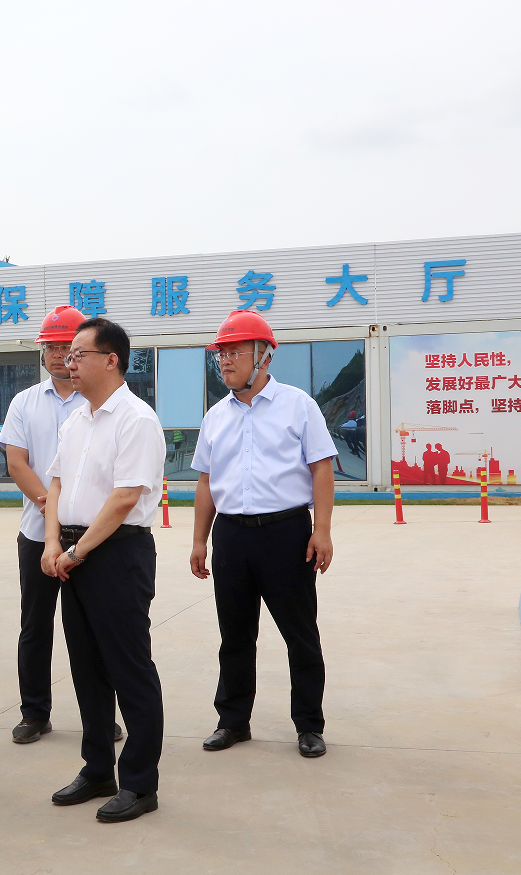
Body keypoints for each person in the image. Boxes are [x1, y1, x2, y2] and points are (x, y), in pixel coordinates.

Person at [189, 310, 335, 760]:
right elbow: (205, 481)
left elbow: (321, 468)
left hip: (286, 534)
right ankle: (233, 721)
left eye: (234, 352)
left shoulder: (298, 405)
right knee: (234, 635)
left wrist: (322, 531)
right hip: (232, 536)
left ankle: (309, 725)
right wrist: (199, 540)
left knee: (300, 634)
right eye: (221, 353)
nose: (225, 361)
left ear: (264, 356)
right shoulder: (215, 416)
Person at [41, 317, 165, 824]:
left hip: (116, 554)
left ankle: (139, 783)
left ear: (111, 360)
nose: (68, 363)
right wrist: (53, 542)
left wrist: (75, 553)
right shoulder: (76, 421)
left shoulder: (136, 419)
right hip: (73, 552)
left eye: (78, 354)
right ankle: (97, 769)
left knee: (128, 668)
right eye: (67, 355)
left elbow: (125, 498)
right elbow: (54, 484)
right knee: (87, 668)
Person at [0, 306, 122, 745]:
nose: (57, 354)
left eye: (65, 346)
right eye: (49, 347)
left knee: (94, 631)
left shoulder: (101, 403)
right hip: (37, 535)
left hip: (91, 539)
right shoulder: (25, 402)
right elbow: (17, 462)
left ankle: (100, 717)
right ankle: (34, 712)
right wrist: (49, 505)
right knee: (35, 627)